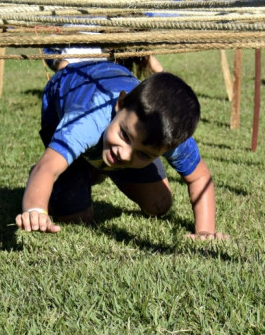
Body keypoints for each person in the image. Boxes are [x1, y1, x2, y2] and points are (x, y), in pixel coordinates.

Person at [15, 60, 227, 240]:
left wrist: (205, 231)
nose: (124, 154)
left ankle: (96, 166)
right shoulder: (86, 121)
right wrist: (35, 209)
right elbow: (48, 168)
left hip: (107, 118)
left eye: (144, 153)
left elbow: (200, 177)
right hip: (65, 92)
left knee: (159, 204)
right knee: (77, 218)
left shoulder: (168, 135)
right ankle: (68, 167)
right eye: (125, 135)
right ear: (121, 103)